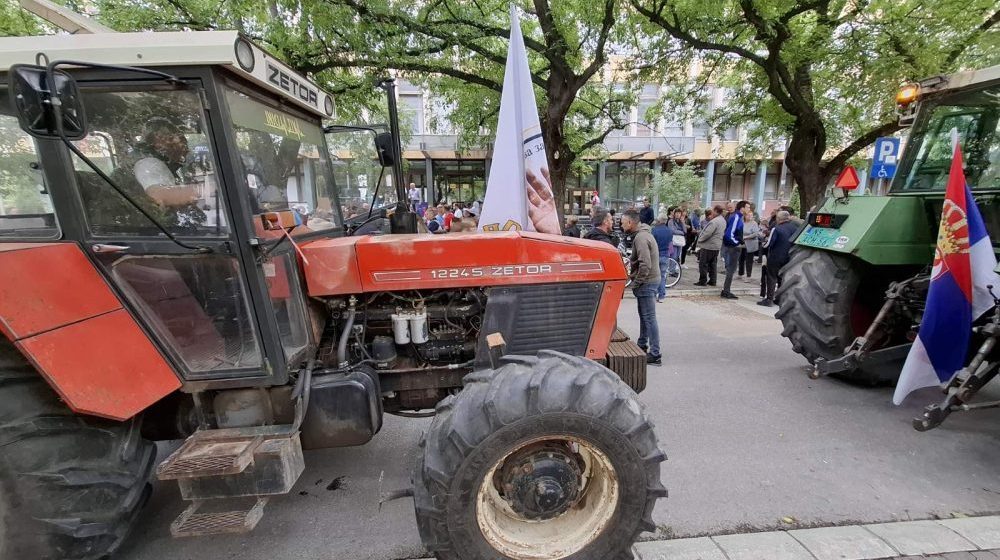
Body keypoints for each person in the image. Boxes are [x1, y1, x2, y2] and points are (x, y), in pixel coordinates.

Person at [621, 209, 661, 365]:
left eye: (623, 222)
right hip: (649, 281)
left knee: (649, 318)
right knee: (645, 317)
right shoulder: (643, 235)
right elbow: (641, 262)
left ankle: (656, 354)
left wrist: (636, 283)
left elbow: (646, 264)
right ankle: (642, 344)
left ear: (630, 222)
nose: (621, 225)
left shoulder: (641, 238)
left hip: (647, 282)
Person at [133, 119, 200, 208]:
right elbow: (159, 195)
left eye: (180, 136)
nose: (178, 142)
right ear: (156, 144)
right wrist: (205, 190)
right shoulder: (148, 164)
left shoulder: (170, 163)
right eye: (170, 138)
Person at [759, 210, 799, 307]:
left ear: (778, 219)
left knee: (771, 277)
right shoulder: (795, 228)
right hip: (788, 257)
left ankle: (769, 299)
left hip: (775, 256)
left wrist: (763, 244)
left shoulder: (776, 228)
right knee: (782, 278)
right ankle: (779, 299)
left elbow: (770, 243)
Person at [721, 200, 747, 300]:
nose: (749, 210)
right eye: (748, 207)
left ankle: (726, 290)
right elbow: (729, 234)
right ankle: (726, 291)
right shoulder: (736, 217)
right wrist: (737, 243)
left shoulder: (738, 217)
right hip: (733, 247)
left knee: (731, 270)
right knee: (731, 270)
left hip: (732, 246)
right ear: (742, 208)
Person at [694, 205, 725, 287]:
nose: (712, 212)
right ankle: (713, 280)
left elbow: (707, 233)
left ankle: (703, 280)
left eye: (713, 211)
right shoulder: (723, 220)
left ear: (715, 211)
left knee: (703, 263)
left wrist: (700, 240)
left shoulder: (714, 221)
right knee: (713, 264)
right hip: (717, 246)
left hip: (708, 246)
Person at [651, 213, 673, 302]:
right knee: (662, 276)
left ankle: (654, 294)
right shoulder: (670, 231)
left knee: (654, 276)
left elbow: (652, 244)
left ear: (659, 221)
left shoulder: (654, 230)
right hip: (665, 255)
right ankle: (662, 296)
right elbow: (670, 244)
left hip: (656, 255)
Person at [739, 211, 763, 282]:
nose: (750, 217)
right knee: (741, 259)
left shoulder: (754, 223)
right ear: (745, 216)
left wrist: (746, 237)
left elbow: (755, 233)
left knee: (749, 260)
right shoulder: (742, 223)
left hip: (750, 243)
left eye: (751, 215)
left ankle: (748, 276)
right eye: (748, 215)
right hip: (742, 243)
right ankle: (740, 273)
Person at [667, 208, 686, 276]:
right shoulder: (671, 221)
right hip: (673, 240)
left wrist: (683, 223)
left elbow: (685, 231)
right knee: (673, 255)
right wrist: (681, 232)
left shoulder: (681, 222)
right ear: (674, 214)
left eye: (679, 213)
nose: (678, 214)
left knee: (677, 256)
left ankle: (674, 270)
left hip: (679, 241)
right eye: (676, 213)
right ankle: (671, 271)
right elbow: (672, 230)